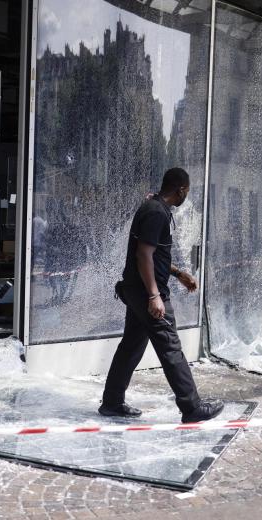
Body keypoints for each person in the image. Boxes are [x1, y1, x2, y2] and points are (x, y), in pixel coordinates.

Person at [101, 168, 223, 423]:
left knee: (131, 346)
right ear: (180, 189)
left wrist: (179, 273)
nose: (186, 196)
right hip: (147, 293)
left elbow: (154, 254)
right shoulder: (156, 213)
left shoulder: (153, 208)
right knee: (170, 348)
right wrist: (154, 296)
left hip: (137, 290)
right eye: (186, 191)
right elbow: (143, 255)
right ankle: (192, 408)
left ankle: (112, 402)